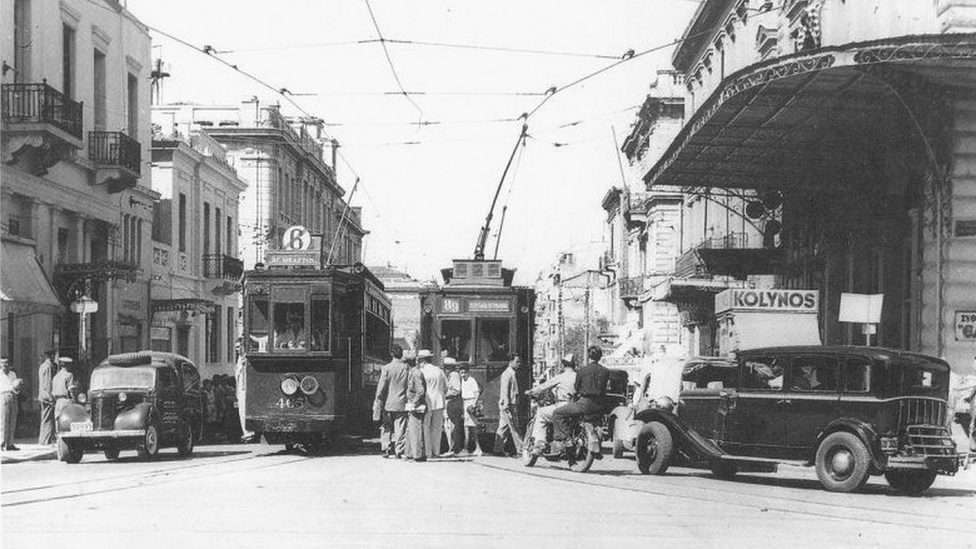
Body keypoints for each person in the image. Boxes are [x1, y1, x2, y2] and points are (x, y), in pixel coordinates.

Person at [551, 346, 610, 454]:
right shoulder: (606, 371)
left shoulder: (582, 371)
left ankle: (566, 439)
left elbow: (576, 388)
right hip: (600, 406)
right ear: (600, 357)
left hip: (585, 404)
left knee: (557, 413)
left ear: (588, 356)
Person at [527, 353, 578, 455]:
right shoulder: (578, 376)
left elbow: (545, 386)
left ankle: (540, 444)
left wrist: (532, 391)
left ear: (564, 365)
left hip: (562, 405)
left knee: (541, 413)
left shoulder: (561, 377)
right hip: (576, 406)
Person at [374, 345, 409, 458]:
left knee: (386, 426)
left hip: (388, 402)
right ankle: (399, 450)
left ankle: (386, 448)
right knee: (400, 427)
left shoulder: (386, 368)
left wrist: (378, 399)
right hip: (402, 401)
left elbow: (381, 386)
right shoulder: (406, 368)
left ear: (391, 354)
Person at [493, 353, 524, 456]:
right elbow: (505, 390)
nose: (519, 364)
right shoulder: (508, 373)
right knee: (514, 426)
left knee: (503, 427)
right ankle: (521, 450)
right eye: (517, 362)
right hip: (509, 404)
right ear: (511, 362)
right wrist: (506, 404)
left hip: (509, 403)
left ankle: (498, 449)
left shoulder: (511, 372)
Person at [419, 349, 448, 458]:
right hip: (439, 401)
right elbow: (446, 386)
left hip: (427, 402)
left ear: (423, 360)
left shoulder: (422, 371)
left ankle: (428, 452)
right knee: (437, 428)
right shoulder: (439, 371)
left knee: (426, 427)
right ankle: (436, 451)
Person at [404, 351, 427, 461]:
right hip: (413, 405)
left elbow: (420, 390)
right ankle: (410, 453)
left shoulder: (415, 373)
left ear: (407, 363)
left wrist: (414, 403)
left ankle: (418, 455)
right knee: (411, 430)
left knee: (416, 430)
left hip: (416, 407)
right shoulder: (414, 372)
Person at [459, 365, 484, 456]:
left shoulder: (472, 380)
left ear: (468, 372)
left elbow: (477, 393)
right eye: (461, 373)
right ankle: (475, 448)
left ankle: (469, 448)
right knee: (469, 426)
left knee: (470, 427)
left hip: (470, 403)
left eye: (464, 372)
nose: (463, 374)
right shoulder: (462, 381)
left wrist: (473, 405)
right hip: (465, 402)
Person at [443, 357, 465, 456]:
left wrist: (444, 393)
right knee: (450, 426)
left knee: (451, 426)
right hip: (451, 402)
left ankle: (453, 448)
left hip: (452, 402)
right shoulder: (452, 375)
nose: (445, 369)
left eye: (446, 367)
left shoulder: (454, 375)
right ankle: (453, 447)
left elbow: (456, 390)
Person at [1, 357, 23, 451]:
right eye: (3, 363)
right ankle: (2, 443)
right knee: (3, 421)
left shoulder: (13, 374)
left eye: (6, 362)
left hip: (13, 396)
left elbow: (16, 386)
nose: (5, 365)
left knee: (12, 420)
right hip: (3, 396)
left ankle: (10, 443)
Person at [235, 346, 257, 442]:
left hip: (248, 387)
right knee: (242, 409)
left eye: (239, 347)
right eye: (236, 348)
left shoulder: (247, 358)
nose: (237, 349)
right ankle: (246, 431)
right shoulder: (239, 359)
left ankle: (250, 430)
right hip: (241, 387)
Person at [37, 349, 57, 445]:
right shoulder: (48, 366)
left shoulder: (42, 366)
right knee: (48, 419)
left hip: (42, 395)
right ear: (51, 356)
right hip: (47, 397)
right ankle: (45, 440)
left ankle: (44, 439)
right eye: (53, 355)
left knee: (45, 418)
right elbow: (48, 383)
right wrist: (51, 397)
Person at [51, 357, 75, 422]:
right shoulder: (69, 375)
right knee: (67, 422)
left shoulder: (56, 377)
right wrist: (74, 400)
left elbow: (53, 392)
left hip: (58, 403)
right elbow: (71, 390)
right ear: (68, 365)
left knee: (58, 423)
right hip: (66, 402)